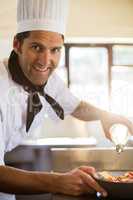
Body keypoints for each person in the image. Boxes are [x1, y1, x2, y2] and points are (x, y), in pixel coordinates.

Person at [0, 0, 133, 199]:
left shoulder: (49, 81)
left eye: (55, 50)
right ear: (17, 44)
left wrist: (105, 115)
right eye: (37, 47)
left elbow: (77, 107)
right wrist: (59, 181)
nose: (45, 62)